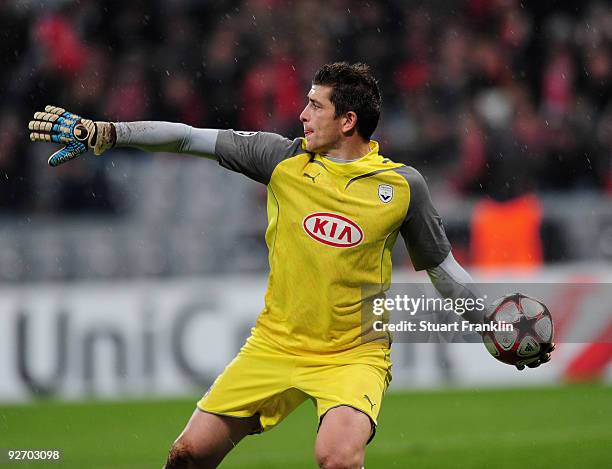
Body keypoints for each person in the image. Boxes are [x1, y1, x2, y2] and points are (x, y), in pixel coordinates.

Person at [28, 62, 553, 469]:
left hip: (354, 355)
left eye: (314, 106)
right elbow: (189, 137)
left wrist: (490, 324)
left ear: (348, 121)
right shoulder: (281, 159)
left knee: (337, 456)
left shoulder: (401, 187)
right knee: (187, 456)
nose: (302, 114)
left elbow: (444, 271)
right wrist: (108, 132)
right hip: (275, 345)